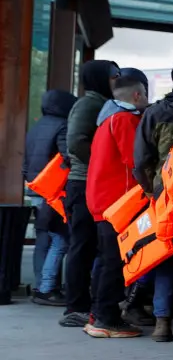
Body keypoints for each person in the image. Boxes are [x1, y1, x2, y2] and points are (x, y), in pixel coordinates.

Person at [133, 56, 173, 341]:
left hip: (165, 197)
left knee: (164, 259)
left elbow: (139, 161)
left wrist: (151, 190)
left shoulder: (155, 112)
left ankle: (162, 324)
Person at [84, 75, 149, 338]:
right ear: (137, 95)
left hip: (101, 201)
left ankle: (98, 314)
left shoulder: (105, 120)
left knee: (104, 260)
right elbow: (135, 161)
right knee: (114, 262)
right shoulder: (124, 120)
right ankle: (106, 319)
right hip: (118, 203)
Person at [59, 60, 119, 327]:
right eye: (114, 75)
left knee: (87, 246)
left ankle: (84, 303)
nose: (118, 79)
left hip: (86, 182)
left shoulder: (99, 102)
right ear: (99, 78)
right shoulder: (89, 104)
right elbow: (75, 141)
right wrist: (100, 163)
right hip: (83, 183)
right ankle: (76, 306)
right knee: (82, 246)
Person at [22, 88, 77, 306]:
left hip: (36, 189)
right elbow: (67, 157)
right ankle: (47, 288)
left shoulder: (36, 127)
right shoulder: (62, 126)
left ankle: (41, 285)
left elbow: (26, 160)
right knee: (60, 238)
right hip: (54, 191)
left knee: (43, 238)